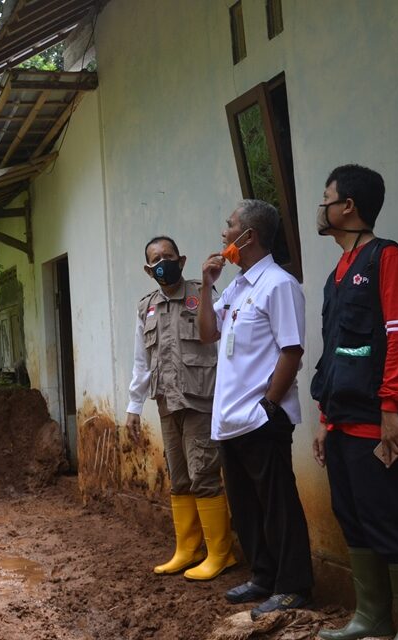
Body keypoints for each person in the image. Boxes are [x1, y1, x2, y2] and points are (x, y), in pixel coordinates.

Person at [310, 165, 398, 640]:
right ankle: (372, 617)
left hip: (375, 423)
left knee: (389, 521)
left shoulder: (388, 258)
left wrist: (390, 407)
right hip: (341, 423)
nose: (321, 208)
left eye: (326, 198)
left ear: (349, 207)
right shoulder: (336, 273)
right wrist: (323, 419)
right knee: (353, 519)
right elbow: (336, 351)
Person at [196, 200, 314, 618]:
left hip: (261, 417)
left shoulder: (279, 284)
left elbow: (292, 350)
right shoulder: (238, 285)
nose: (223, 234)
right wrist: (208, 284)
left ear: (249, 236)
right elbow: (208, 333)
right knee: (247, 506)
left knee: (278, 503)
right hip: (230, 420)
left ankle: (293, 585)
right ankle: (263, 575)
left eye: (229, 226)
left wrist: (268, 406)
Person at [127, 236, 238, 580]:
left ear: (182, 259)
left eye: (169, 256)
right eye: (157, 259)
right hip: (167, 402)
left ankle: (221, 553)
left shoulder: (204, 294)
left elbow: (226, 342)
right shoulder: (146, 307)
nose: (164, 262)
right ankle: (188, 549)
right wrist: (134, 405)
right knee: (179, 477)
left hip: (202, 400)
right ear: (149, 269)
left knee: (203, 473)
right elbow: (141, 360)